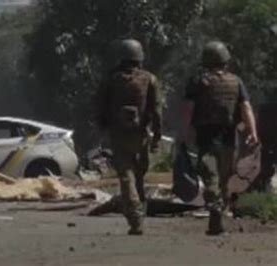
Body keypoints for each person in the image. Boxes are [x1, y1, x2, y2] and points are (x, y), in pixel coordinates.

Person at [179, 41, 259, 235]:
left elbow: (189, 109)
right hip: (229, 138)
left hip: (206, 137)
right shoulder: (236, 81)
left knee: (210, 178)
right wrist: (252, 131)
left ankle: (215, 211)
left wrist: (183, 132)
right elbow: (246, 107)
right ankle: (218, 219)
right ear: (226, 60)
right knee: (223, 179)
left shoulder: (197, 81)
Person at [96, 39, 162, 235]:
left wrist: (103, 129)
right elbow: (157, 110)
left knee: (126, 176)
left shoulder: (111, 79)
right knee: (139, 175)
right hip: (141, 135)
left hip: (119, 135)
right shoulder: (149, 79)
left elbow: (100, 107)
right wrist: (157, 135)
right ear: (139, 57)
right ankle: (139, 212)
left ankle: (135, 217)